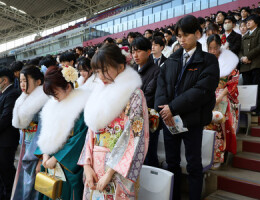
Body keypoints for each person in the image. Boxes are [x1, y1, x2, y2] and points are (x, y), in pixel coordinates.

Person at [154, 15, 219, 200]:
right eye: (179, 36)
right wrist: (164, 110)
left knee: (193, 165)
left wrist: (172, 107)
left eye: (186, 35)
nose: (181, 39)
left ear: (198, 34)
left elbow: (201, 91)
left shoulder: (208, 60)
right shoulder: (172, 60)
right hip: (170, 121)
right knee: (172, 163)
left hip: (192, 121)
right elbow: (161, 87)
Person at [78, 44, 149, 200]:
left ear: (121, 67)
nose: (101, 77)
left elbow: (134, 137)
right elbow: (91, 130)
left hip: (118, 168)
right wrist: (87, 165)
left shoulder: (134, 94)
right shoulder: (98, 92)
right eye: (97, 72)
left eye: (105, 70)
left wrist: (110, 173)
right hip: (95, 162)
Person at [34, 65, 90, 200]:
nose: (54, 98)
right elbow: (45, 132)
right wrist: (46, 154)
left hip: (67, 164)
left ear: (68, 87)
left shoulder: (81, 107)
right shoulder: (52, 104)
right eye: (51, 95)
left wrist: (57, 158)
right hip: (51, 162)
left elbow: (79, 139)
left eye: (56, 93)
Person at [11, 66, 48, 200]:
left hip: (35, 149)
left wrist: (39, 156)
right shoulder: (24, 97)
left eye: (25, 81)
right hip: (26, 145)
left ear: (38, 82)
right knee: (24, 182)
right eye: (20, 81)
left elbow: (43, 131)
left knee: (32, 184)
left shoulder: (44, 99)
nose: (22, 84)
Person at [206, 34, 239, 169]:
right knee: (208, 126)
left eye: (216, 48)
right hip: (208, 96)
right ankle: (207, 156)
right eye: (210, 48)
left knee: (220, 126)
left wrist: (219, 97)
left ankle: (218, 156)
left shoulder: (228, 62)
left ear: (220, 47)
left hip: (223, 96)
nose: (213, 51)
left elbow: (232, 82)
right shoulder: (205, 62)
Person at [131, 37, 160, 167]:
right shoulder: (131, 70)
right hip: (132, 120)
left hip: (148, 119)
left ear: (149, 52)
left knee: (148, 155)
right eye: (133, 51)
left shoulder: (156, 71)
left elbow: (149, 96)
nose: (135, 55)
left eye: (138, 51)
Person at [239, 15, 260, 116]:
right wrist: (242, 58)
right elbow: (240, 50)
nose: (247, 23)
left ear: (256, 22)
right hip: (245, 66)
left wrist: (248, 57)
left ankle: (258, 109)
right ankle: (247, 108)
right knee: (247, 87)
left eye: (250, 21)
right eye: (247, 21)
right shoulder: (245, 35)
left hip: (256, 64)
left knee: (256, 87)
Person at [0, 68, 20, 200]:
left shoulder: (12, 94)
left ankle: (11, 195)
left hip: (7, 141)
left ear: (4, 80)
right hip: (3, 140)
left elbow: (5, 119)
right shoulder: (4, 93)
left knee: (6, 171)